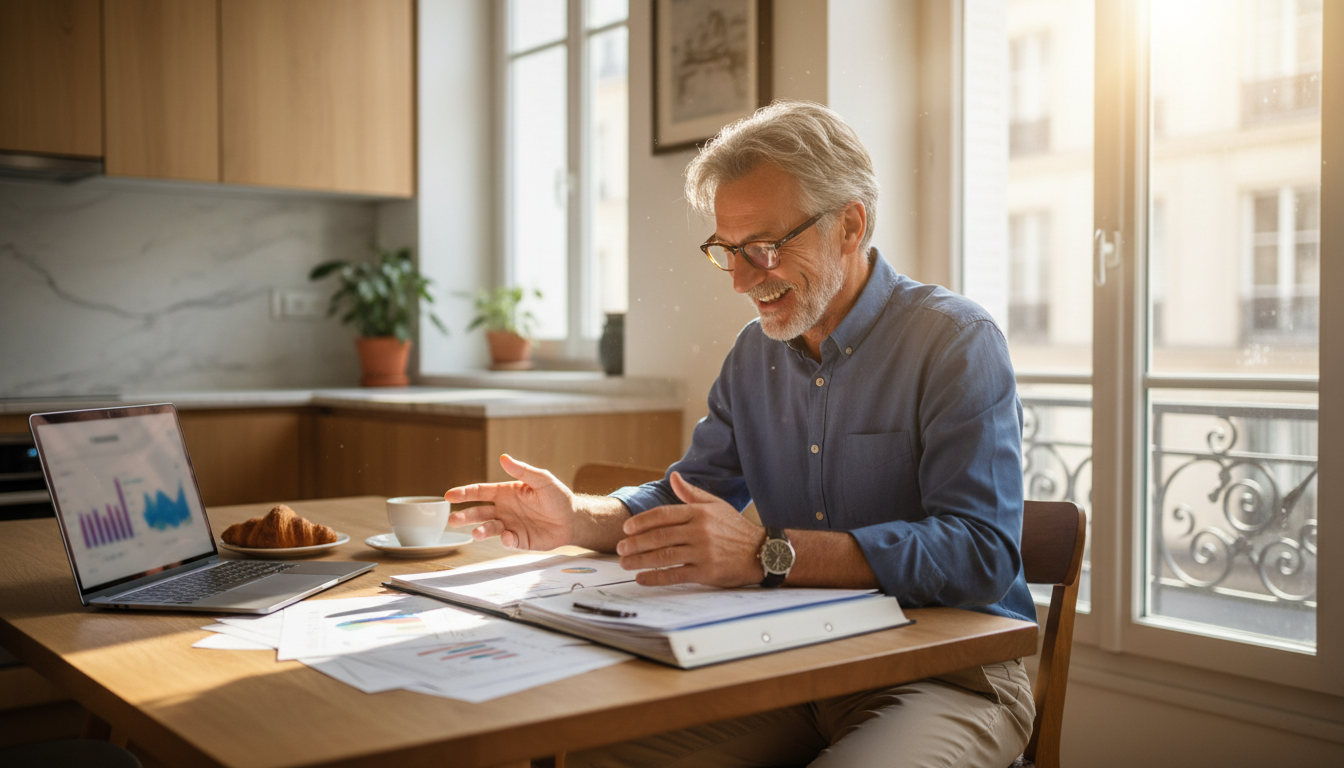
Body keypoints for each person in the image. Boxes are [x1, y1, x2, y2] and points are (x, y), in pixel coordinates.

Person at [446, 100, 1036, 768]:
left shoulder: (956, 342)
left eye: (762, 249)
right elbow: (683, 497)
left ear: (850, 224)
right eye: (727, 251)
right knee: (581, 750)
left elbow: (981, 554)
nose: (740, 281)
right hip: (794, 664)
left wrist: (769, 554)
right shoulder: (754, 356)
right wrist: (577, 517)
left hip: (947, 676)